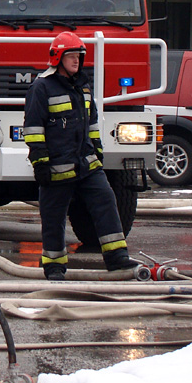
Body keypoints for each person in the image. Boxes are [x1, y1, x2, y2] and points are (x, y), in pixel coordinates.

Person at [23, 32, 138, 281]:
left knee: (106, 201)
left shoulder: (82, 86)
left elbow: (92, 123)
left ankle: (117, 258)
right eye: (72, 56)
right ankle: (54, 268)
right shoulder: (41, 87)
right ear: (58, 58)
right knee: (53, 218)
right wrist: (40, 162)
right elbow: (33, 129)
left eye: (79, 56)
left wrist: (96, 150)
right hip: (56, 166)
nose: (76, 61)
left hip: (86, 164)